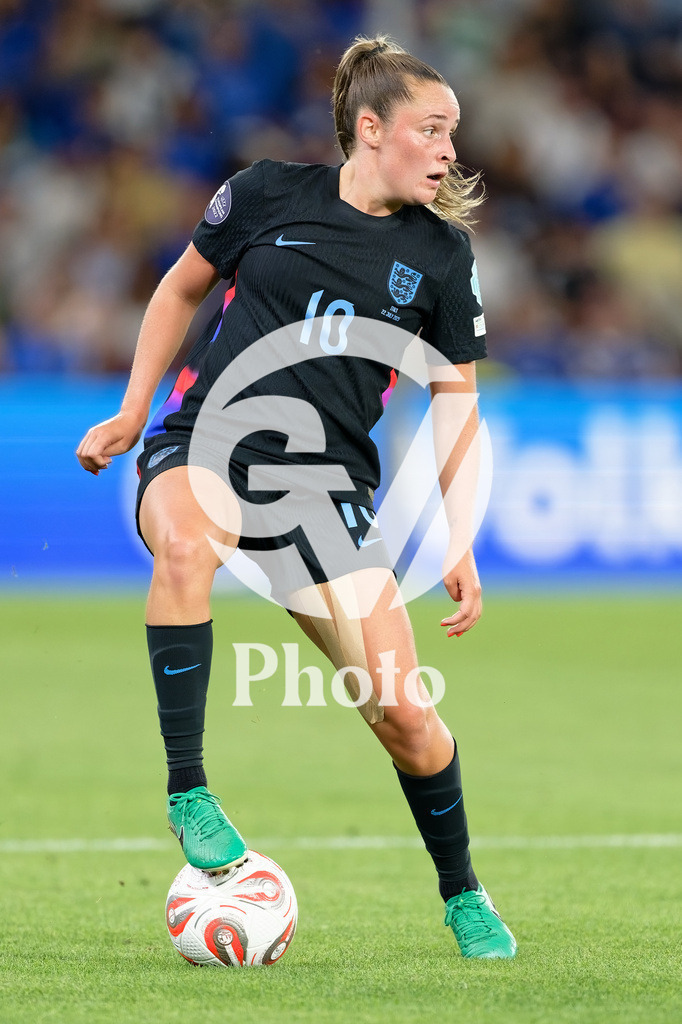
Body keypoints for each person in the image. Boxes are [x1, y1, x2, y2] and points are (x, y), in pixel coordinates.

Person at [76, 35, 516, 960]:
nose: (448, 151)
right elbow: (177, 289)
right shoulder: (267, 193)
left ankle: (463, 892)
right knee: (188, 549)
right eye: (431, 130)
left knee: (404, 716)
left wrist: (458, 536)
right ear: (370, 128)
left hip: (323, 496)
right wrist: (130, 411)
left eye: (453, 133)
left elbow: (455, 402)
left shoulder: (440, 258)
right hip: (205, 445)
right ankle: (188, 793)